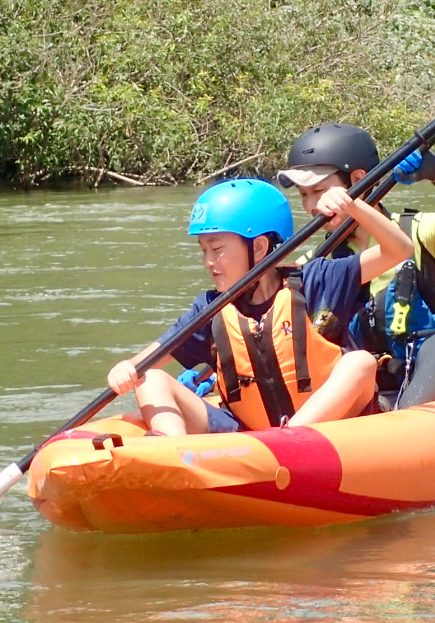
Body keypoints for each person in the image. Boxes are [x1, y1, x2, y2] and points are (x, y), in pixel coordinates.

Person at [106, 178, 412, 436]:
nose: (209, 262)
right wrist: (127, 368)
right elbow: (154, 356)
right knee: (150, 377)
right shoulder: (211, 308)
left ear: (260, 247)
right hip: (249, 434)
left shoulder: (317, 279)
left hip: (326, 428)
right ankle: (172, 453)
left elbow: (399, 250)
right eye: (204, 251)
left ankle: (289, 438)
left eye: (217, 249)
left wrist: (353, 206)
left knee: (360, 363)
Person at [276, 123, 435, 409]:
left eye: (320, 191)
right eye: (304, 195)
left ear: (358, 180)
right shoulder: (318, 263)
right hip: (366, 391)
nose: (311, 206)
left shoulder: (419, 233)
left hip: (430, 377)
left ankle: (411, 420)